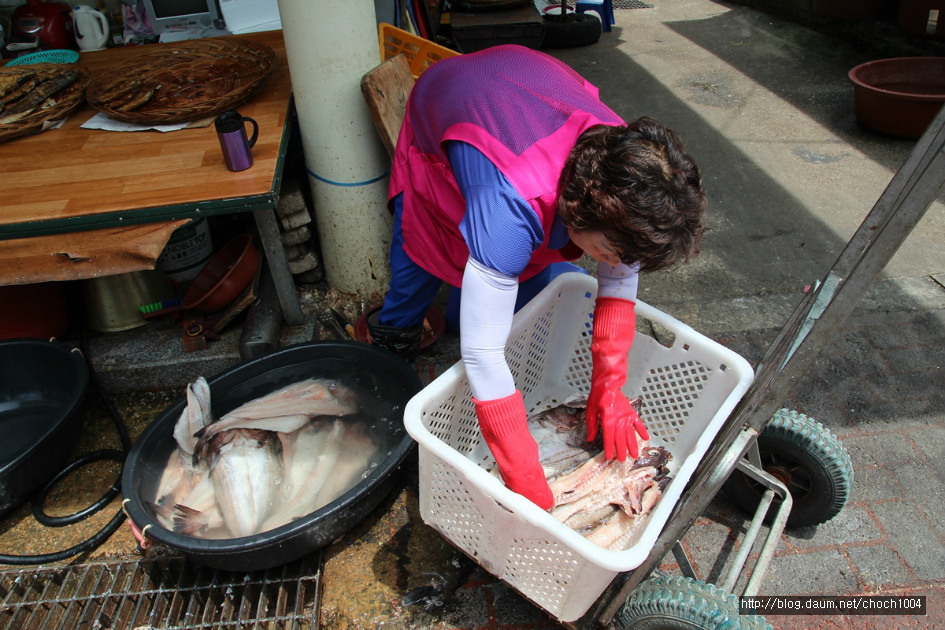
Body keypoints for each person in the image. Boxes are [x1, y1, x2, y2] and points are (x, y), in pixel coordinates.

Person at [367, 45, 706, 511]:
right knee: (419, 258)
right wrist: (524, 475)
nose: (613, 263)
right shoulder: (510, 204)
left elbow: (619, 281)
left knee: (516, 280)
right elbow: (482, 355)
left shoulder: (629, 169)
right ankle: (392, 341)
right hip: (448, 116)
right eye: (609, 251)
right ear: (580, 211)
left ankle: (466, 299)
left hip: (525, 89)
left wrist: (609, 387)